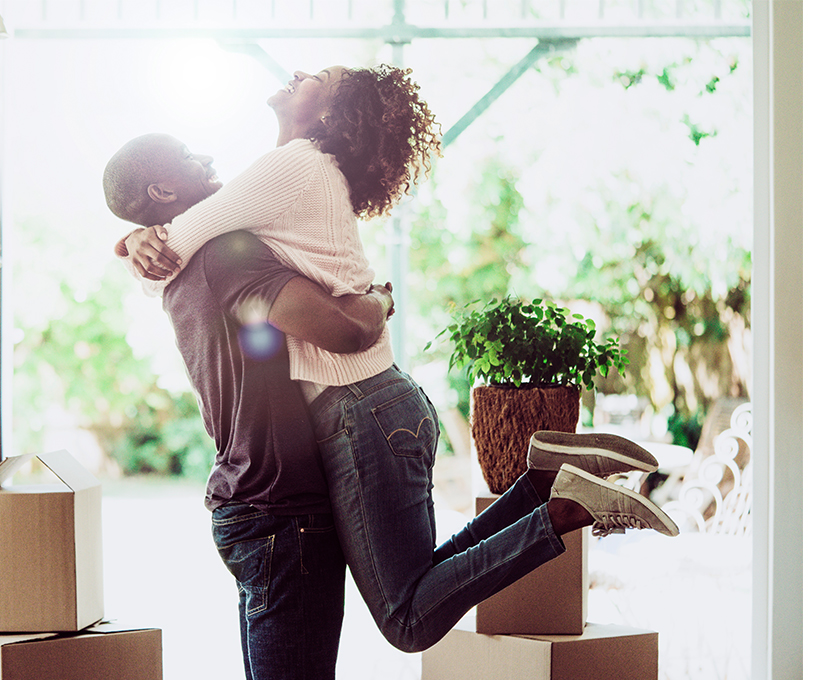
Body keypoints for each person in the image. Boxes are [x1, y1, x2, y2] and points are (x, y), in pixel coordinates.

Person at [113, 63, 679, 655]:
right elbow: (181, 258)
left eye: (316, 78)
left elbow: (175, 252)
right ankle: (543, 481)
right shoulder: (284, 178)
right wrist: (132, 240)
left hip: (356, 406)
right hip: (373, 402)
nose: (298, 73)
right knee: (420, 583)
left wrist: (137, 244)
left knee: (407, 619)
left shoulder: (290, 166)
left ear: (327, 115)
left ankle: (564, 508)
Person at [103, 133, 396, 680]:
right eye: (191, 154)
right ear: (163, 187)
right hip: (281, 507)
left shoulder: (179, 262)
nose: (209, 154)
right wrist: (381, 297)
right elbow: (345, 331)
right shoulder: (224, 255)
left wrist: (132, 241)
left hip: (253, 500)